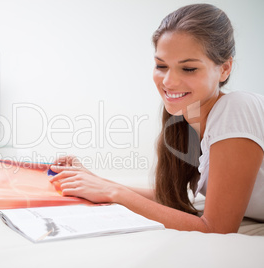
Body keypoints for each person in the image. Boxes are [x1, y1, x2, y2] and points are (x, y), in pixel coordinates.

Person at [49, 3, 264, 234]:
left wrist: (113, 193)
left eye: (189, 69)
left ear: (225, 68)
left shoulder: (237, 107)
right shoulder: (187, 119)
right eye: (161, 65)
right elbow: (170, 199)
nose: (169, 82)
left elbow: (217, 228)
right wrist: (98, 182)